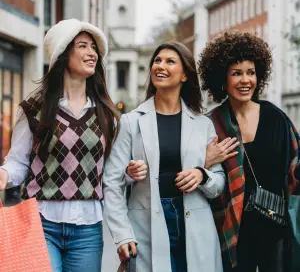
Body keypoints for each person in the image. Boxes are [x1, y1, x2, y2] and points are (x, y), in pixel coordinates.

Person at [0, 19, 120, 272]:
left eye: (94, 48)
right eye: (83, 46)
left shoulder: (106, 114)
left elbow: (110, 172)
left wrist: (130, 171)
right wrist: (4, 174)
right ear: (64, 54)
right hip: (42, 224)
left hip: (88, 230)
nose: (92, 53)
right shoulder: (34, 110)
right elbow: (19, 161)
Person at [103, 42, 225, 272]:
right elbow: (112, 182)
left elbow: (219, 182)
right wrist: (121, 234)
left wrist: (202, 174)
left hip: (196, 228)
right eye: (157, 60)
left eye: (170, 61)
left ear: (185, 75)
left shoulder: (202, 124)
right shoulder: (131, 122)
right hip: (145, 227)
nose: (161, 65)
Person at [198, 31, 300, 272]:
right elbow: (196, 174)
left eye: (251, 73)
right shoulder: (211, 123)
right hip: (231, 234)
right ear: (222, 79)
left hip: (276, 231)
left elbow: (295, 170)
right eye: (237, 73)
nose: (245, 80)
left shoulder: (276, 118)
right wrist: (205, 160)